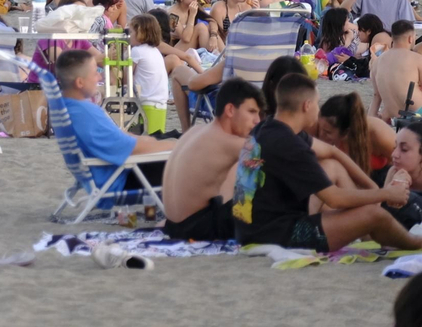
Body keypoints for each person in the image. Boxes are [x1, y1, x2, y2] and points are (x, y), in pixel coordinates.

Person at [234, 73, 421, 253]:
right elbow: (335, 198)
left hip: (249, 227)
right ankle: (415, 243)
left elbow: (331, 152)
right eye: (317, 104)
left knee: (333, 167)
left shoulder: (266, 128)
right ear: (307, 105)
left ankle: (367, 233)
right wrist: (385, 193)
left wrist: (371, 187)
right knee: (375, 216)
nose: (318, 110)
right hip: (277, 234)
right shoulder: (290, 145)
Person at [55, 49, 175, 192]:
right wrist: (174, 146)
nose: (99, 77)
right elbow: (130, 149)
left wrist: (154, 141)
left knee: (173, 136)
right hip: (122, 177)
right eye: (95, 73)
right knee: (187, 150)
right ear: (80, 82)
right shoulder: (85, 115)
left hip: (113, 168)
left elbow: (118, 138)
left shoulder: (69, 107)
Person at [161, 78, 265, 240]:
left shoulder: (195, 132)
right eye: (251, 112)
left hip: (173, 225)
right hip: (197, 228)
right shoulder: (232, 143)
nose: (257, 120)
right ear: (230, 110)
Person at [373, 21, 422, 122]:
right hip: (416, 115)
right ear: (410, 38)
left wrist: (371, 120)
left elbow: (376, 96)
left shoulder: (377, 61)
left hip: (393, 117)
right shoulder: (417, 59)